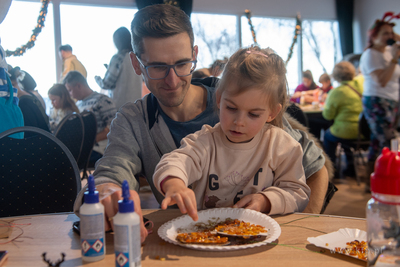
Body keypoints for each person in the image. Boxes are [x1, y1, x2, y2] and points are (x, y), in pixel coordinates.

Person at [72, 4, 328, 243]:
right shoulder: (133, 120)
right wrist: (105, 192)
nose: (172, 81)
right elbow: (112, 173)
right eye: (158, 67)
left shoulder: (237, 93)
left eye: (182, 64)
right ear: (136, 64)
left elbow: (315, 169)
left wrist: (302, 231)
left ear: (195, 54)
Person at [153, 46, 310, 219]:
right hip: (206, 236)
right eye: (231, 108)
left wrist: (265, 200)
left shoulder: (281, 145)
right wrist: (175, 183)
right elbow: (177, 161)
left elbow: (298, 193)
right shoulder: (205, 142)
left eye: (253, 114)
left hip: (258, 233)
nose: (239, 122)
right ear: (219, 99)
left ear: (272, 112)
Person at [359, 13, 400, 190]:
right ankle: (388, 180)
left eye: (391, 33)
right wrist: (394, 59)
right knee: (388, 142)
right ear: (374, 36)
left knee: (377, 142)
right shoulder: (371, 55)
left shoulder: (390, 51)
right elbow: (382, 80)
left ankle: (372, 180)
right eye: (384, 33)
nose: (389, 36)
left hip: (392, 102)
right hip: (376, 102)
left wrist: (394, 39)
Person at [63, 71, 116, 166]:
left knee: (68, 161)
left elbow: (113, 127)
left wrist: (89, 141)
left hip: (99, 149)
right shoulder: (77, 105)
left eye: (70, 90)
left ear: (79, 86)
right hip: (84, 148)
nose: (70, 94)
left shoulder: (103, 100)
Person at [322, 61, 363, 178]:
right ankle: (351, 168)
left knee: (328, 136)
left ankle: (331, 170)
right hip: (363, 132)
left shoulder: (336, 92)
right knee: (345, 138)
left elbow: (327, 116)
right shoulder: (360, 85)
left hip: (345, 132)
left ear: (336, 75)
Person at [95, 27, 143, 110]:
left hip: (120, 106)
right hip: (136, 105)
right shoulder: (137, 57)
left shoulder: (118, 58)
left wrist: (97, 78)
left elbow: (106, 84)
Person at [8, 66, 50, 136]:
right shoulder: (30, 94)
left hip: (39, 142)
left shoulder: (23, 102)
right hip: (47, 137)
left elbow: (29, 131)